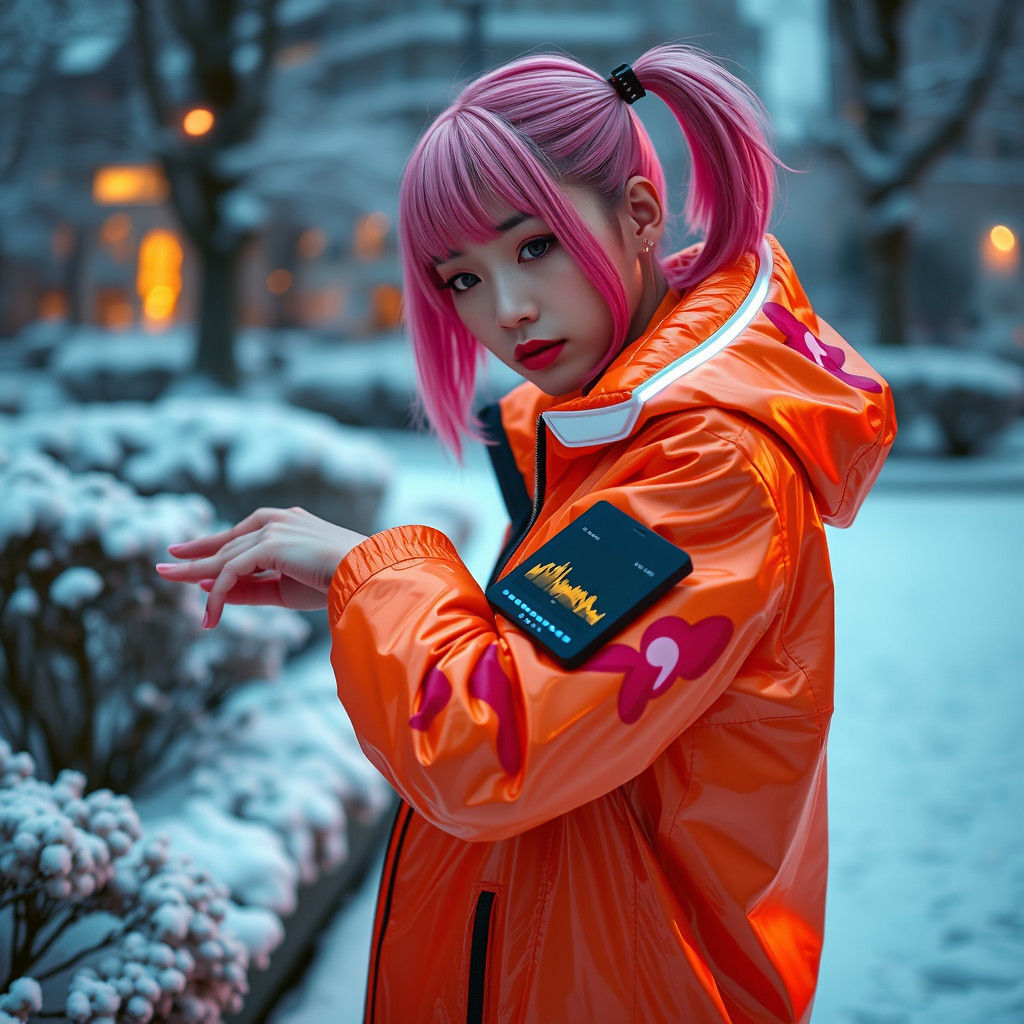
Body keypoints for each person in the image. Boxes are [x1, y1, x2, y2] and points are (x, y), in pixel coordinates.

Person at [157, 44, 896, 1023]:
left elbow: (484, 743)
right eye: (461, 279)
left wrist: (372, 570)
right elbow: (548, 684)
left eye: (535, 246)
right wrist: (355, 590)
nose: (505, 310)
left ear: (640, 215)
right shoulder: (613, 436)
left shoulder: (703, 467)